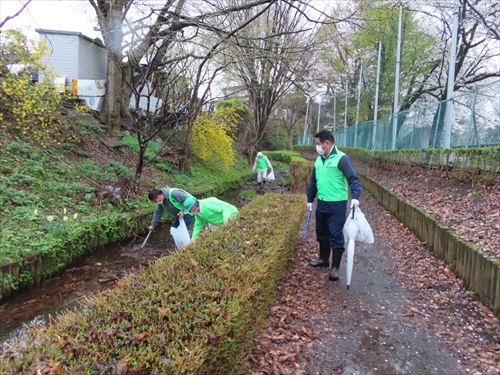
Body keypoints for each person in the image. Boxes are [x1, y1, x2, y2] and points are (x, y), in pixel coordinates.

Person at [306, 130, 361, 281]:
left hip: (337, 204)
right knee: (321, 233)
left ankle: (335, 268)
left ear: (327, 143)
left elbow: (353, 179)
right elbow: (313, 182)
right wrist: (310, 199)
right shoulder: (318, 160)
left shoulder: (342, 159)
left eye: (318, 144)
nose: (316, 147)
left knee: (335, 235)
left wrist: (355, 197)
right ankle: (324, 259)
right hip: (322, 203)